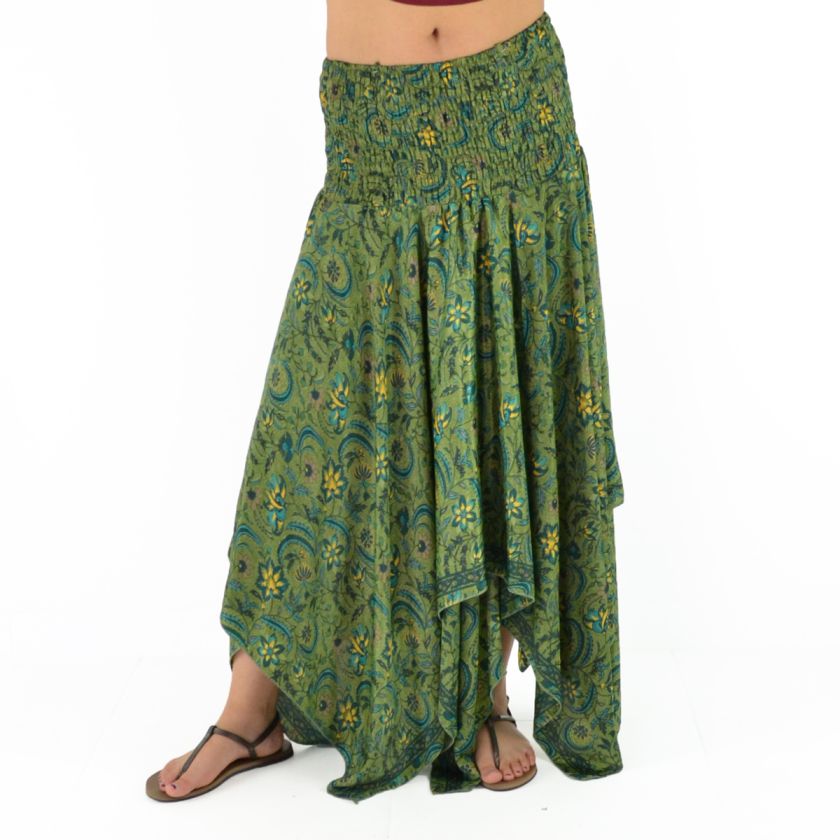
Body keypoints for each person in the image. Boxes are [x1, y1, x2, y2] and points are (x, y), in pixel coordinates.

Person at [146, 0, 625, 804]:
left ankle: (484, 695)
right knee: (315, 408)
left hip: (511, 95)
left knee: (498, 381)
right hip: (375, 115)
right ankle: (251, 709)